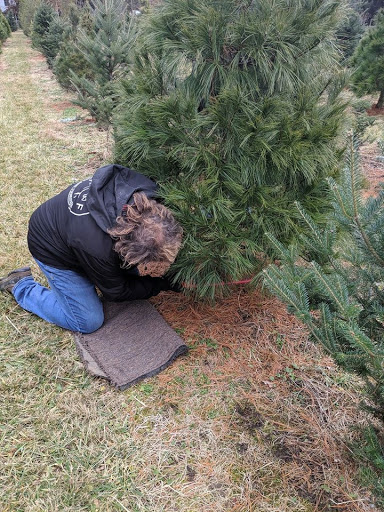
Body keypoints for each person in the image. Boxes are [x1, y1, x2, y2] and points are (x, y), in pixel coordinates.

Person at [0, 165, 183, 333]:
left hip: (71, 228)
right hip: (49, 244)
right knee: (88, 321)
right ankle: (21, 285)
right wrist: (164, 284)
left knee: (126, 272)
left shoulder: (147, 190)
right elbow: (116, 291)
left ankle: (92, 271)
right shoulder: (99, 248)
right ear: (128, 250)